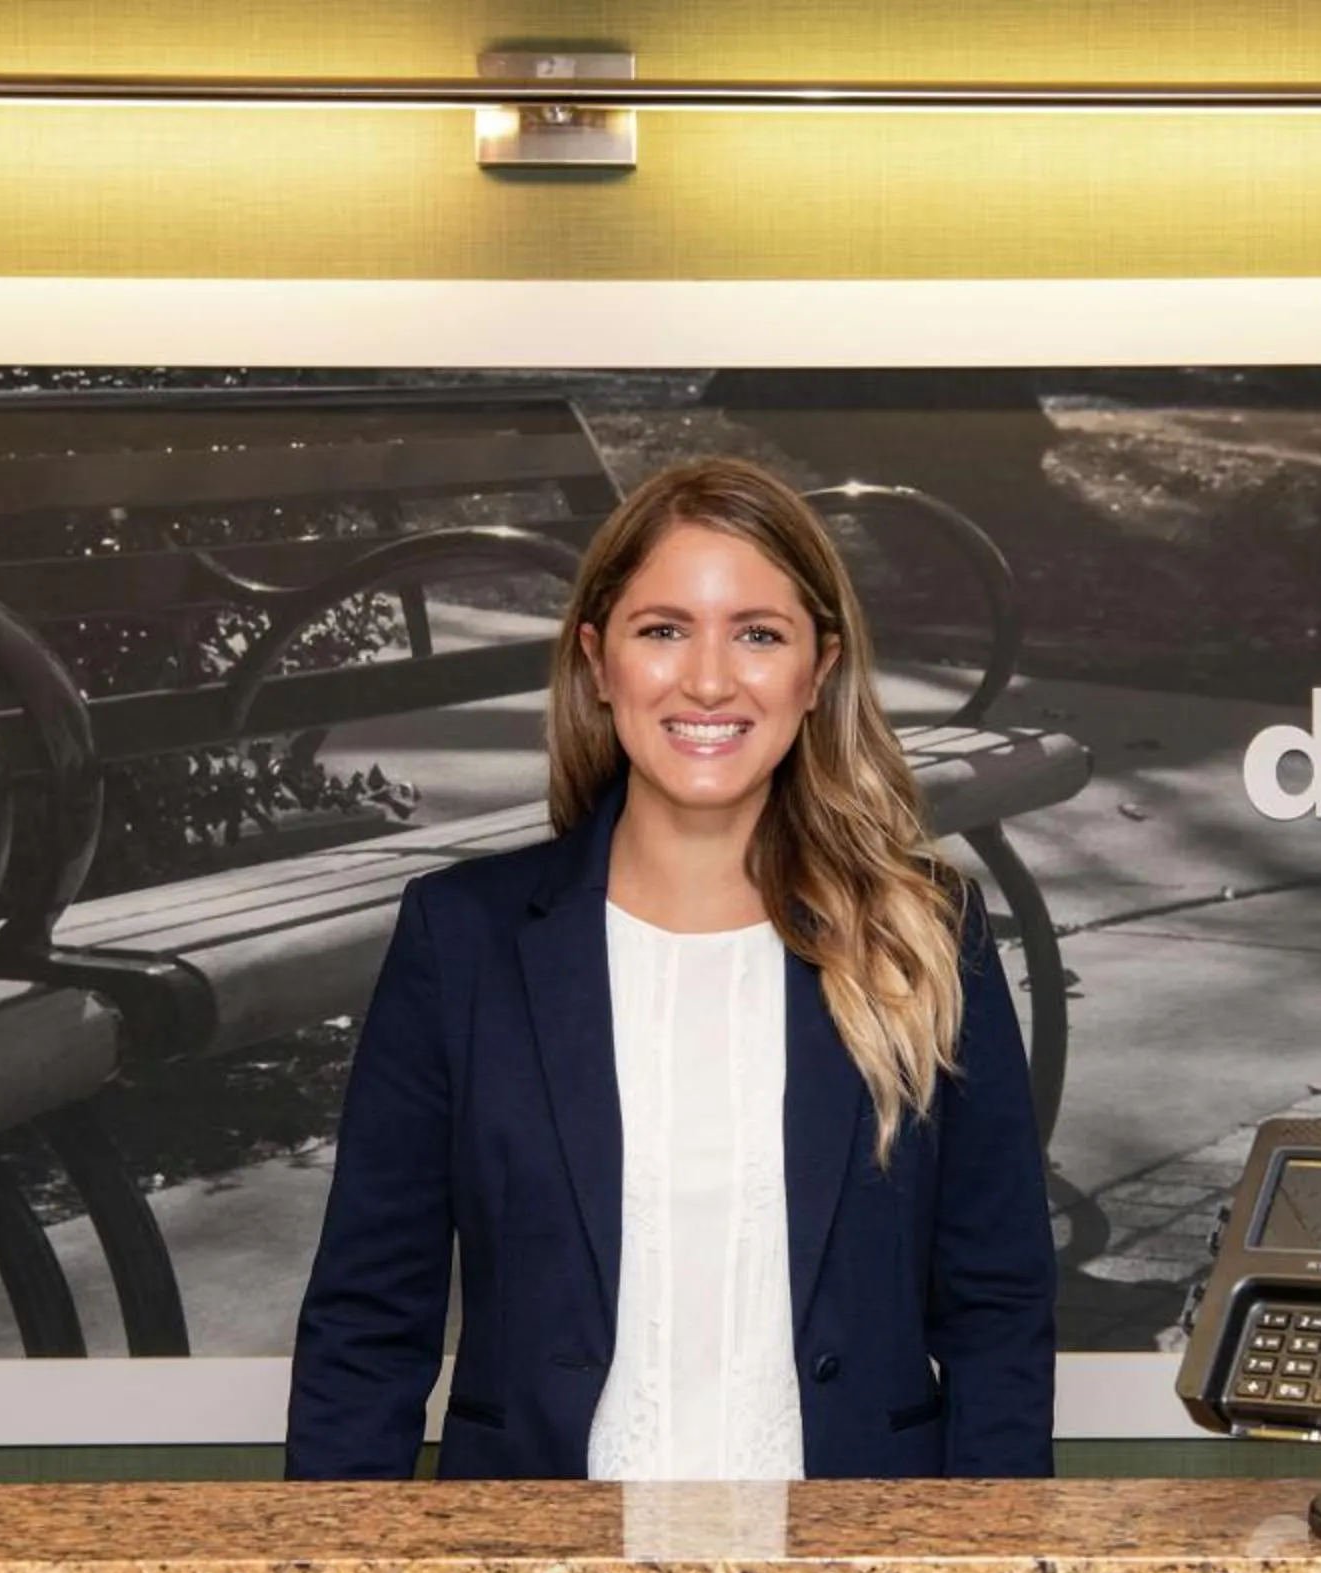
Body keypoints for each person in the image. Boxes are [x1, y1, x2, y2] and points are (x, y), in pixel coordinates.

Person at [283, 456, 1057, 1481]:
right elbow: (368, 1320)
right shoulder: (462, 937)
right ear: (597, 662)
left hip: (853, 1561)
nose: (708, 680)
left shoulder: (925, 932)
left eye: (758, 634)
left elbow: (999, 1306)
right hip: (539, 1560)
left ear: (819, 670)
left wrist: (984, 1564)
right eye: (663, 630)